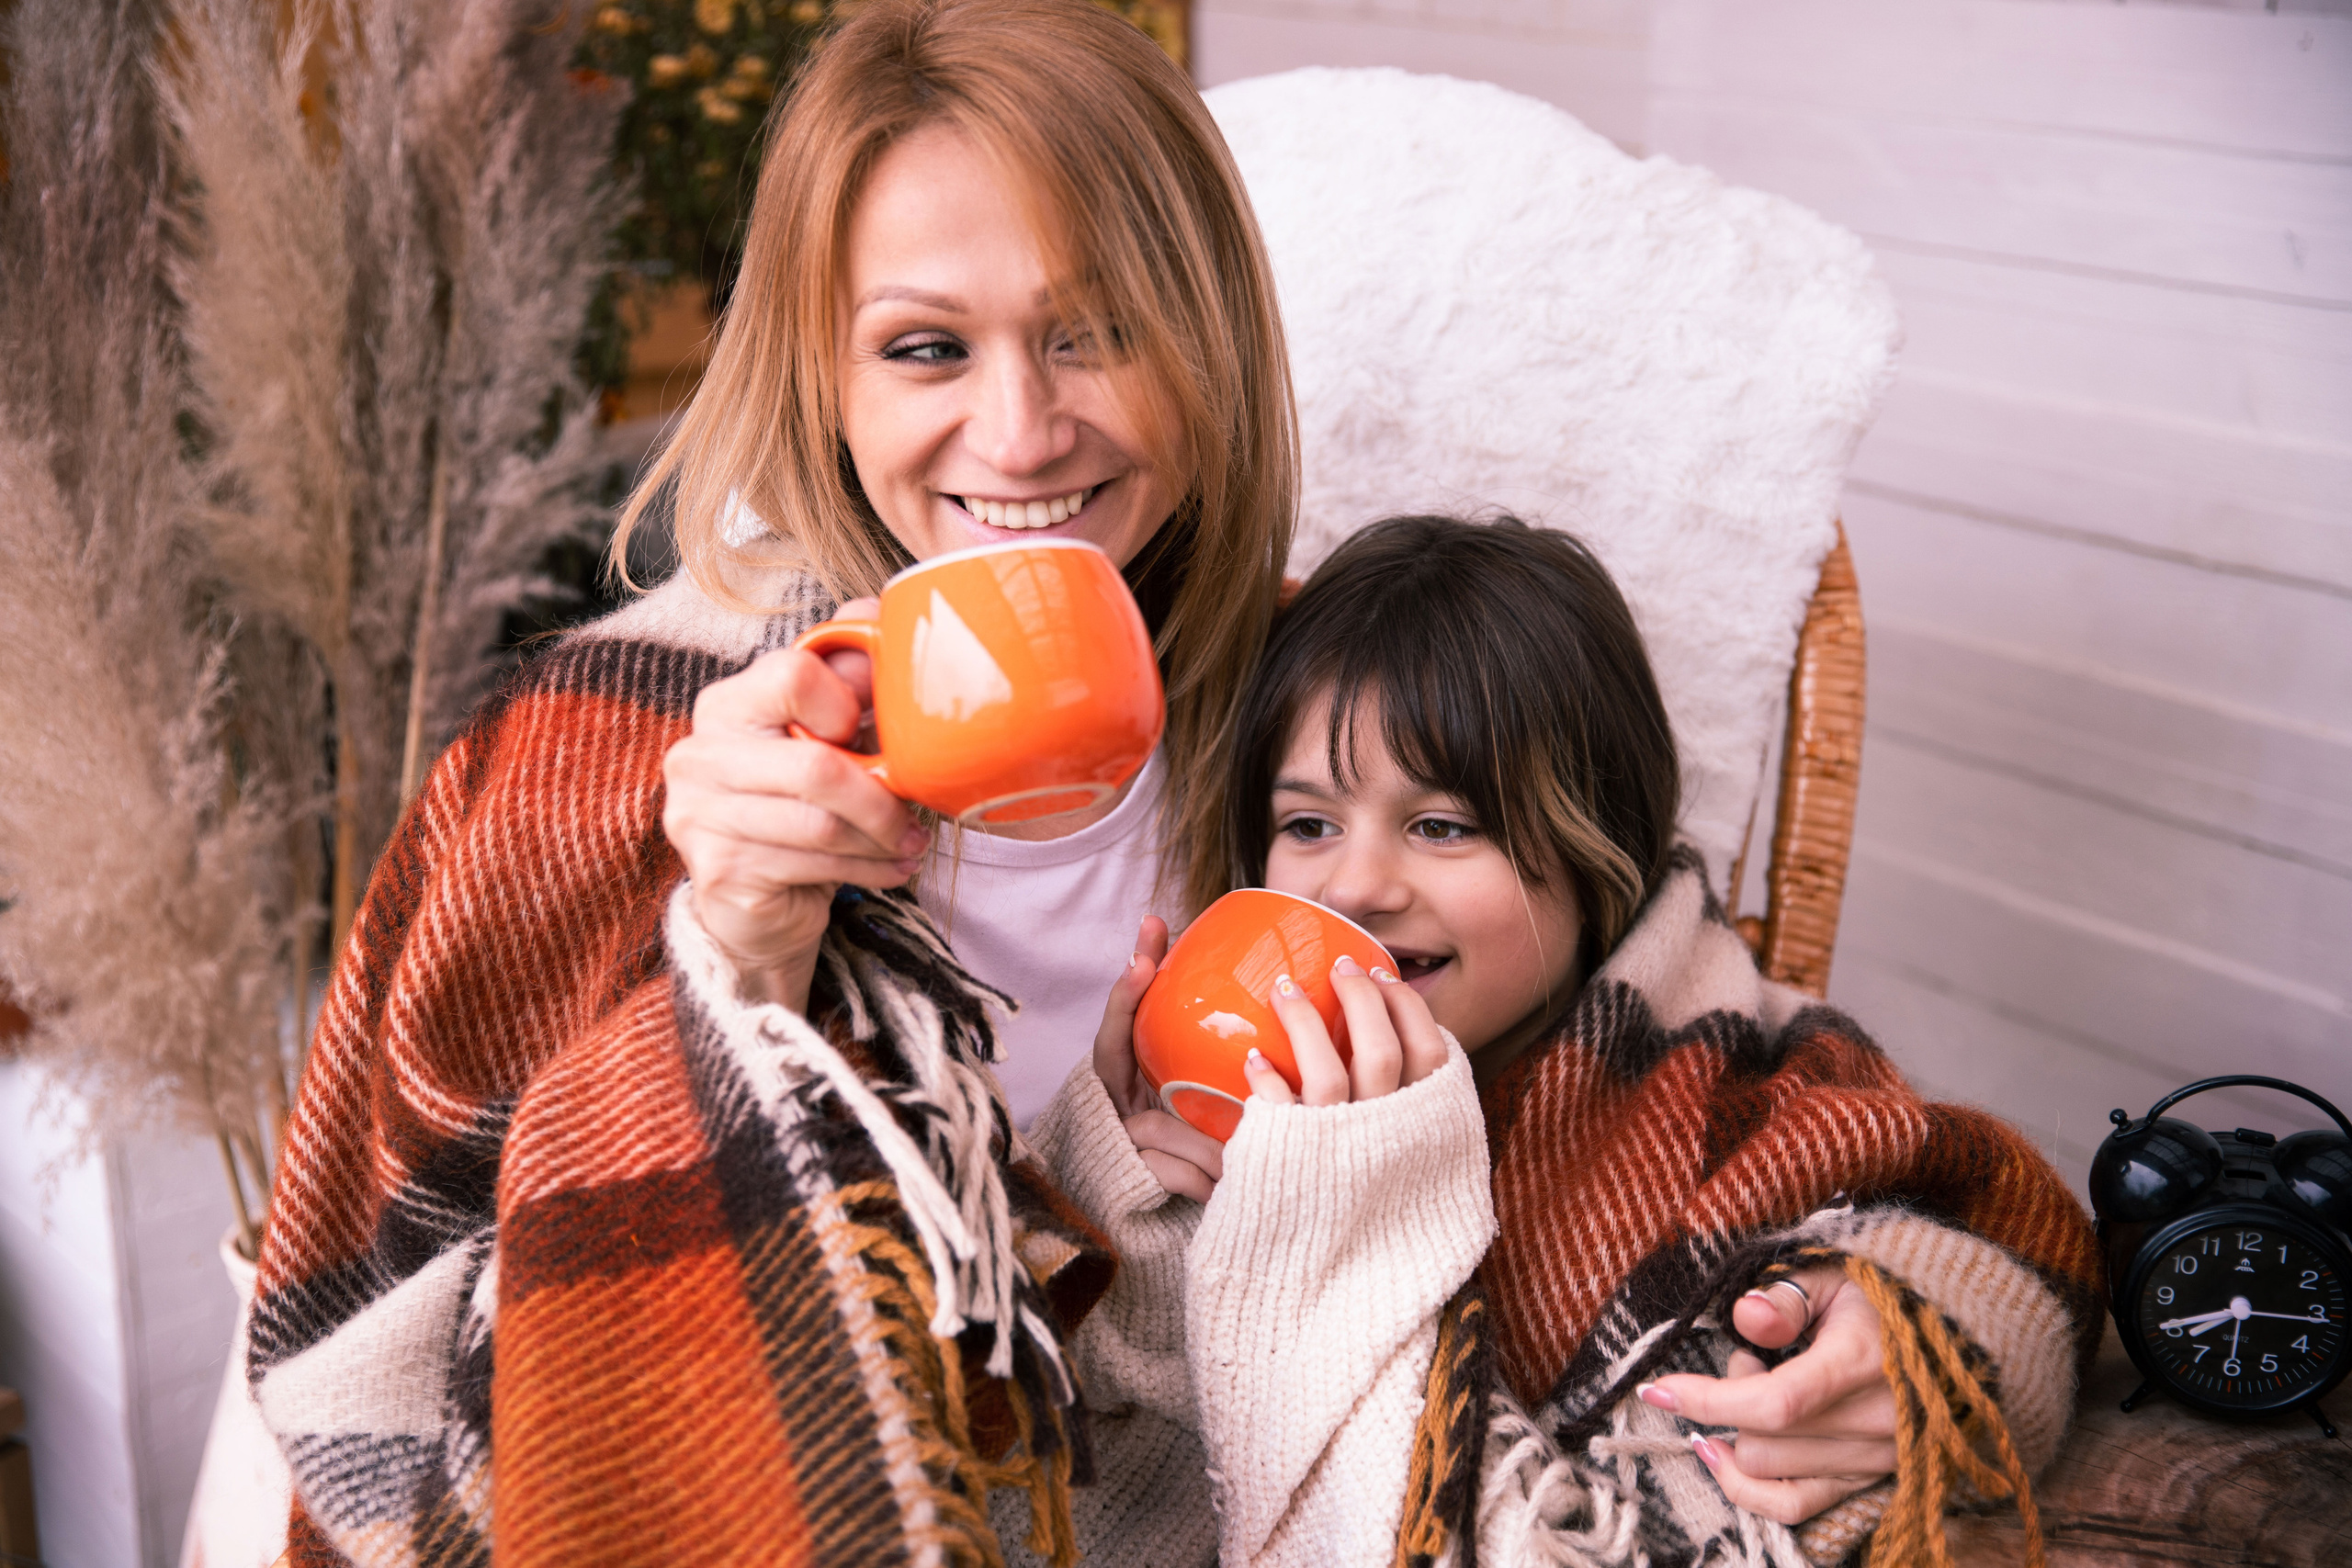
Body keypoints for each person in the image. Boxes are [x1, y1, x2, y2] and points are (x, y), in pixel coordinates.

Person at [244, 2, 1291, 1562]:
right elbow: (363, 1389)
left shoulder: (1338, 714)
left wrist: (1791, 1315)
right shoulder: (585, 762)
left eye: (1099, 330)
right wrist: (728, 974)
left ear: (1209, 336)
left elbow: (1640, 1072)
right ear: (827, 375)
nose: (1017, 431)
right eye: (926, 345)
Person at [1030, 515, 2101, 1566]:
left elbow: (1965, 1220)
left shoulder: (1737, 1121)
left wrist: (1937, 1328)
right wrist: (1143, 1227)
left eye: (1442, 826)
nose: (1353, 884)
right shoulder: (1218, 1120)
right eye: (1308, 824)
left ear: (1594, 854)